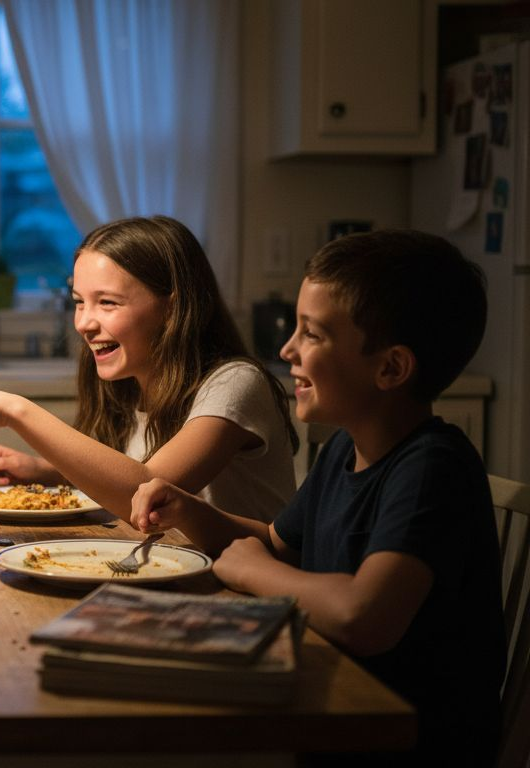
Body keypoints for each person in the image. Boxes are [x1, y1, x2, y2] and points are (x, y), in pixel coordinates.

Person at [129, 230, 504, 765]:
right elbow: (277, 544)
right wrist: (189, 510)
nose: (287, 350)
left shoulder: (431, 469)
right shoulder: (343, 449)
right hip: (329, 709)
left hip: (398, 741)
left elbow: (362, 618)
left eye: (312, 334)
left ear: (390, 368)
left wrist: (251, 572)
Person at [0, 215, 298, 522]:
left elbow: (145, 494)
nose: (84, 323)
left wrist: (16, 410)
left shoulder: (234, 383)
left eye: (107, 303)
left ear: (173, 308)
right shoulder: (129, 385)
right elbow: (127, 475)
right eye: (79, 301)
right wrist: (45, 473)